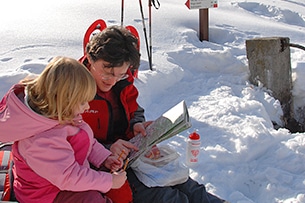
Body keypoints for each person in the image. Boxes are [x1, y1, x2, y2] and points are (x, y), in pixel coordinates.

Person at [80, 25, 226, 203]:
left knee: (186, 184)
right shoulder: (74, 90)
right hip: (101, 165)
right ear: (90, 58)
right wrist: (108, 148)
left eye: (120, 75)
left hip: (130, 154)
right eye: (107, 73)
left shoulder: (122, 84)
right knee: (164, 196)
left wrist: (136, 124)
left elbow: (135, 110)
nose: (112, 81)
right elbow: (67, 139)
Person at [1, 57, 127, 203]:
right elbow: (68, 177)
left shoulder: (64, 116)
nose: (87, 107)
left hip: (62, 180)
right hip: (45, 195)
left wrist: (104, 158)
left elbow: (86, 141)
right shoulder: (42, 141)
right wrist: (109, 181)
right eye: (82, 102)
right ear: (64, 101)